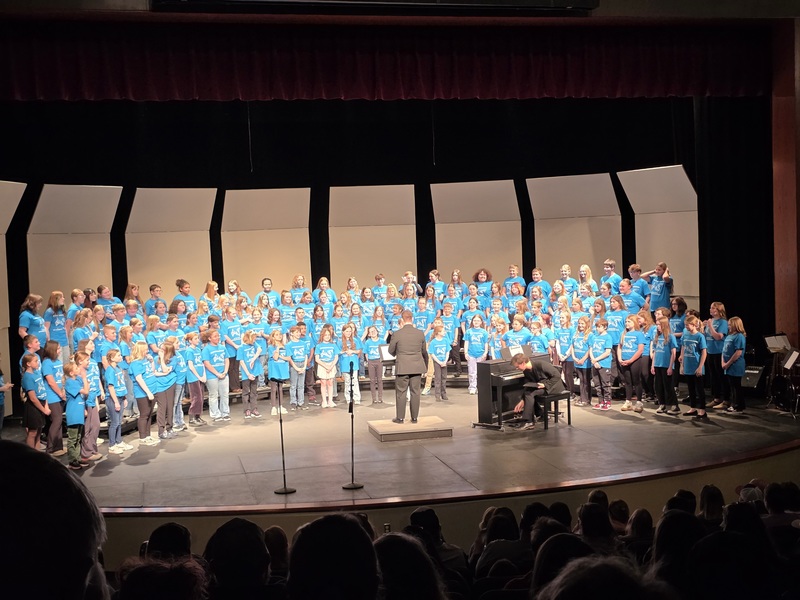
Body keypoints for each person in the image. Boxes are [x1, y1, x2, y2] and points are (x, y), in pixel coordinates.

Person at [388, 310, 428, 424]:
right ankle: (414, 418)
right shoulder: (420, 333)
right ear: (412, 318)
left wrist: (398, 353)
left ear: (402, 319)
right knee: (415, 392)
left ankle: (400, 418)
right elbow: (424, 351)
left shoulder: (397, 333)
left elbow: (391, 351)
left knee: (401, 392)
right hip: (416, 366)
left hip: (402, 366)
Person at [510, 353, 566, 430]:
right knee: (528, 393)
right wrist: (523, 400)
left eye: (517, 367)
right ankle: (541, 414)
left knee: (530, 394)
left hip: (553, 387)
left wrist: (545, 385)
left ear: (523, 363)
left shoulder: (540, 364)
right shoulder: (526, 371)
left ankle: (528, 421)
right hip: (542, 386)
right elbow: (528, 385)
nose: (517, 369)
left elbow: (557, 375)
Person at [679, 315, 708, 420]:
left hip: (696, 365)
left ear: (694, 325)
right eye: (685, 325)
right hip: (687, 365)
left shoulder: (700, 336)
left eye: (688, 325)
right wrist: (682, 361)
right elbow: (683, 346)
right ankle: (693, 407)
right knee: (690, 388)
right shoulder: (685, 334)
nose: (686, 327)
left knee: (699, 389)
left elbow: (704, 352)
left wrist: (700, 367)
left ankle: (702, 410)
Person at [722, 316, 747, 414]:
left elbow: (738, 353)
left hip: (735, 365)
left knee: (736, 386)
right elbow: (724, 350)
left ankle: (738, 406)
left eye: (730, 325)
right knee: (731, 385)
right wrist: (723, 362)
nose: (728, 327)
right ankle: (734, 404)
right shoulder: (729, 336)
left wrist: (728, 363)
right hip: (728, 366)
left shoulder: (739, 336)